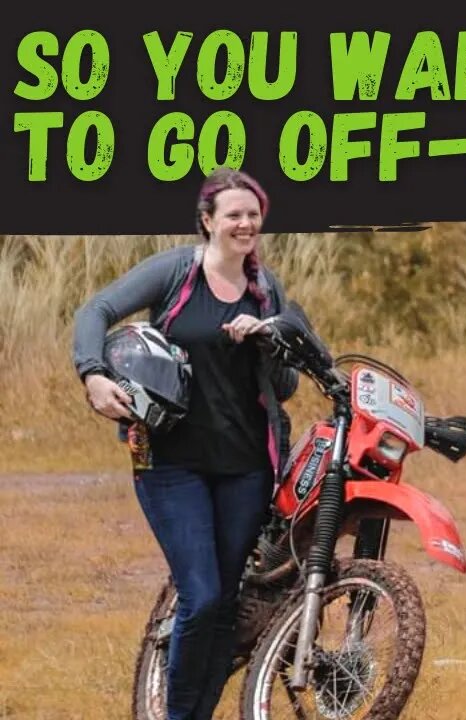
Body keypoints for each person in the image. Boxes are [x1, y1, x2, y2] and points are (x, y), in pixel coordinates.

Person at [71, 167, 297, 720]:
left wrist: (267, 339)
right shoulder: (177, 272)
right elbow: (94, 311)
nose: (245, 224)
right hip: (169, 460)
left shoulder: (268, 292)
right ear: (208, 222)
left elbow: (287, 384)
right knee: (200, 596)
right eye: (233, 215)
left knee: (225, 604)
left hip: (246, 467)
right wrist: (94, 374)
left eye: (252, 214)